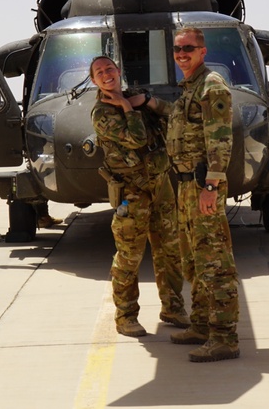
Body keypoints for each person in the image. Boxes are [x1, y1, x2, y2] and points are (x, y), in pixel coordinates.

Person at [89, 55, 188, 338]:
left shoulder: (137, 97)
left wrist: (146, 101)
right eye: (99, 72)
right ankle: (126, 315)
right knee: (130, 256)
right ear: (95, 81)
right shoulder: (103, 113)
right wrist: (126, 108)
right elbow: (137, 139)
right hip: (131, 193)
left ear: (119, 71)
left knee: (169, 250)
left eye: (110, 68)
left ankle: (173, 307)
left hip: (161, 186)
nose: (106, 74)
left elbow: (175, 114)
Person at [165, 26, 240, 362]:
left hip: (202, 187)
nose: (182, 54)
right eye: (178, 49)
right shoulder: (189, 88)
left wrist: (211, 186)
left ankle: (225, 337)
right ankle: (200, 324)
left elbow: (220, 139)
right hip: (185, 186)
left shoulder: (211, 86)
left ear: (202, 51)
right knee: (193, 260)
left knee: (214, 262)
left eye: (188, 48)